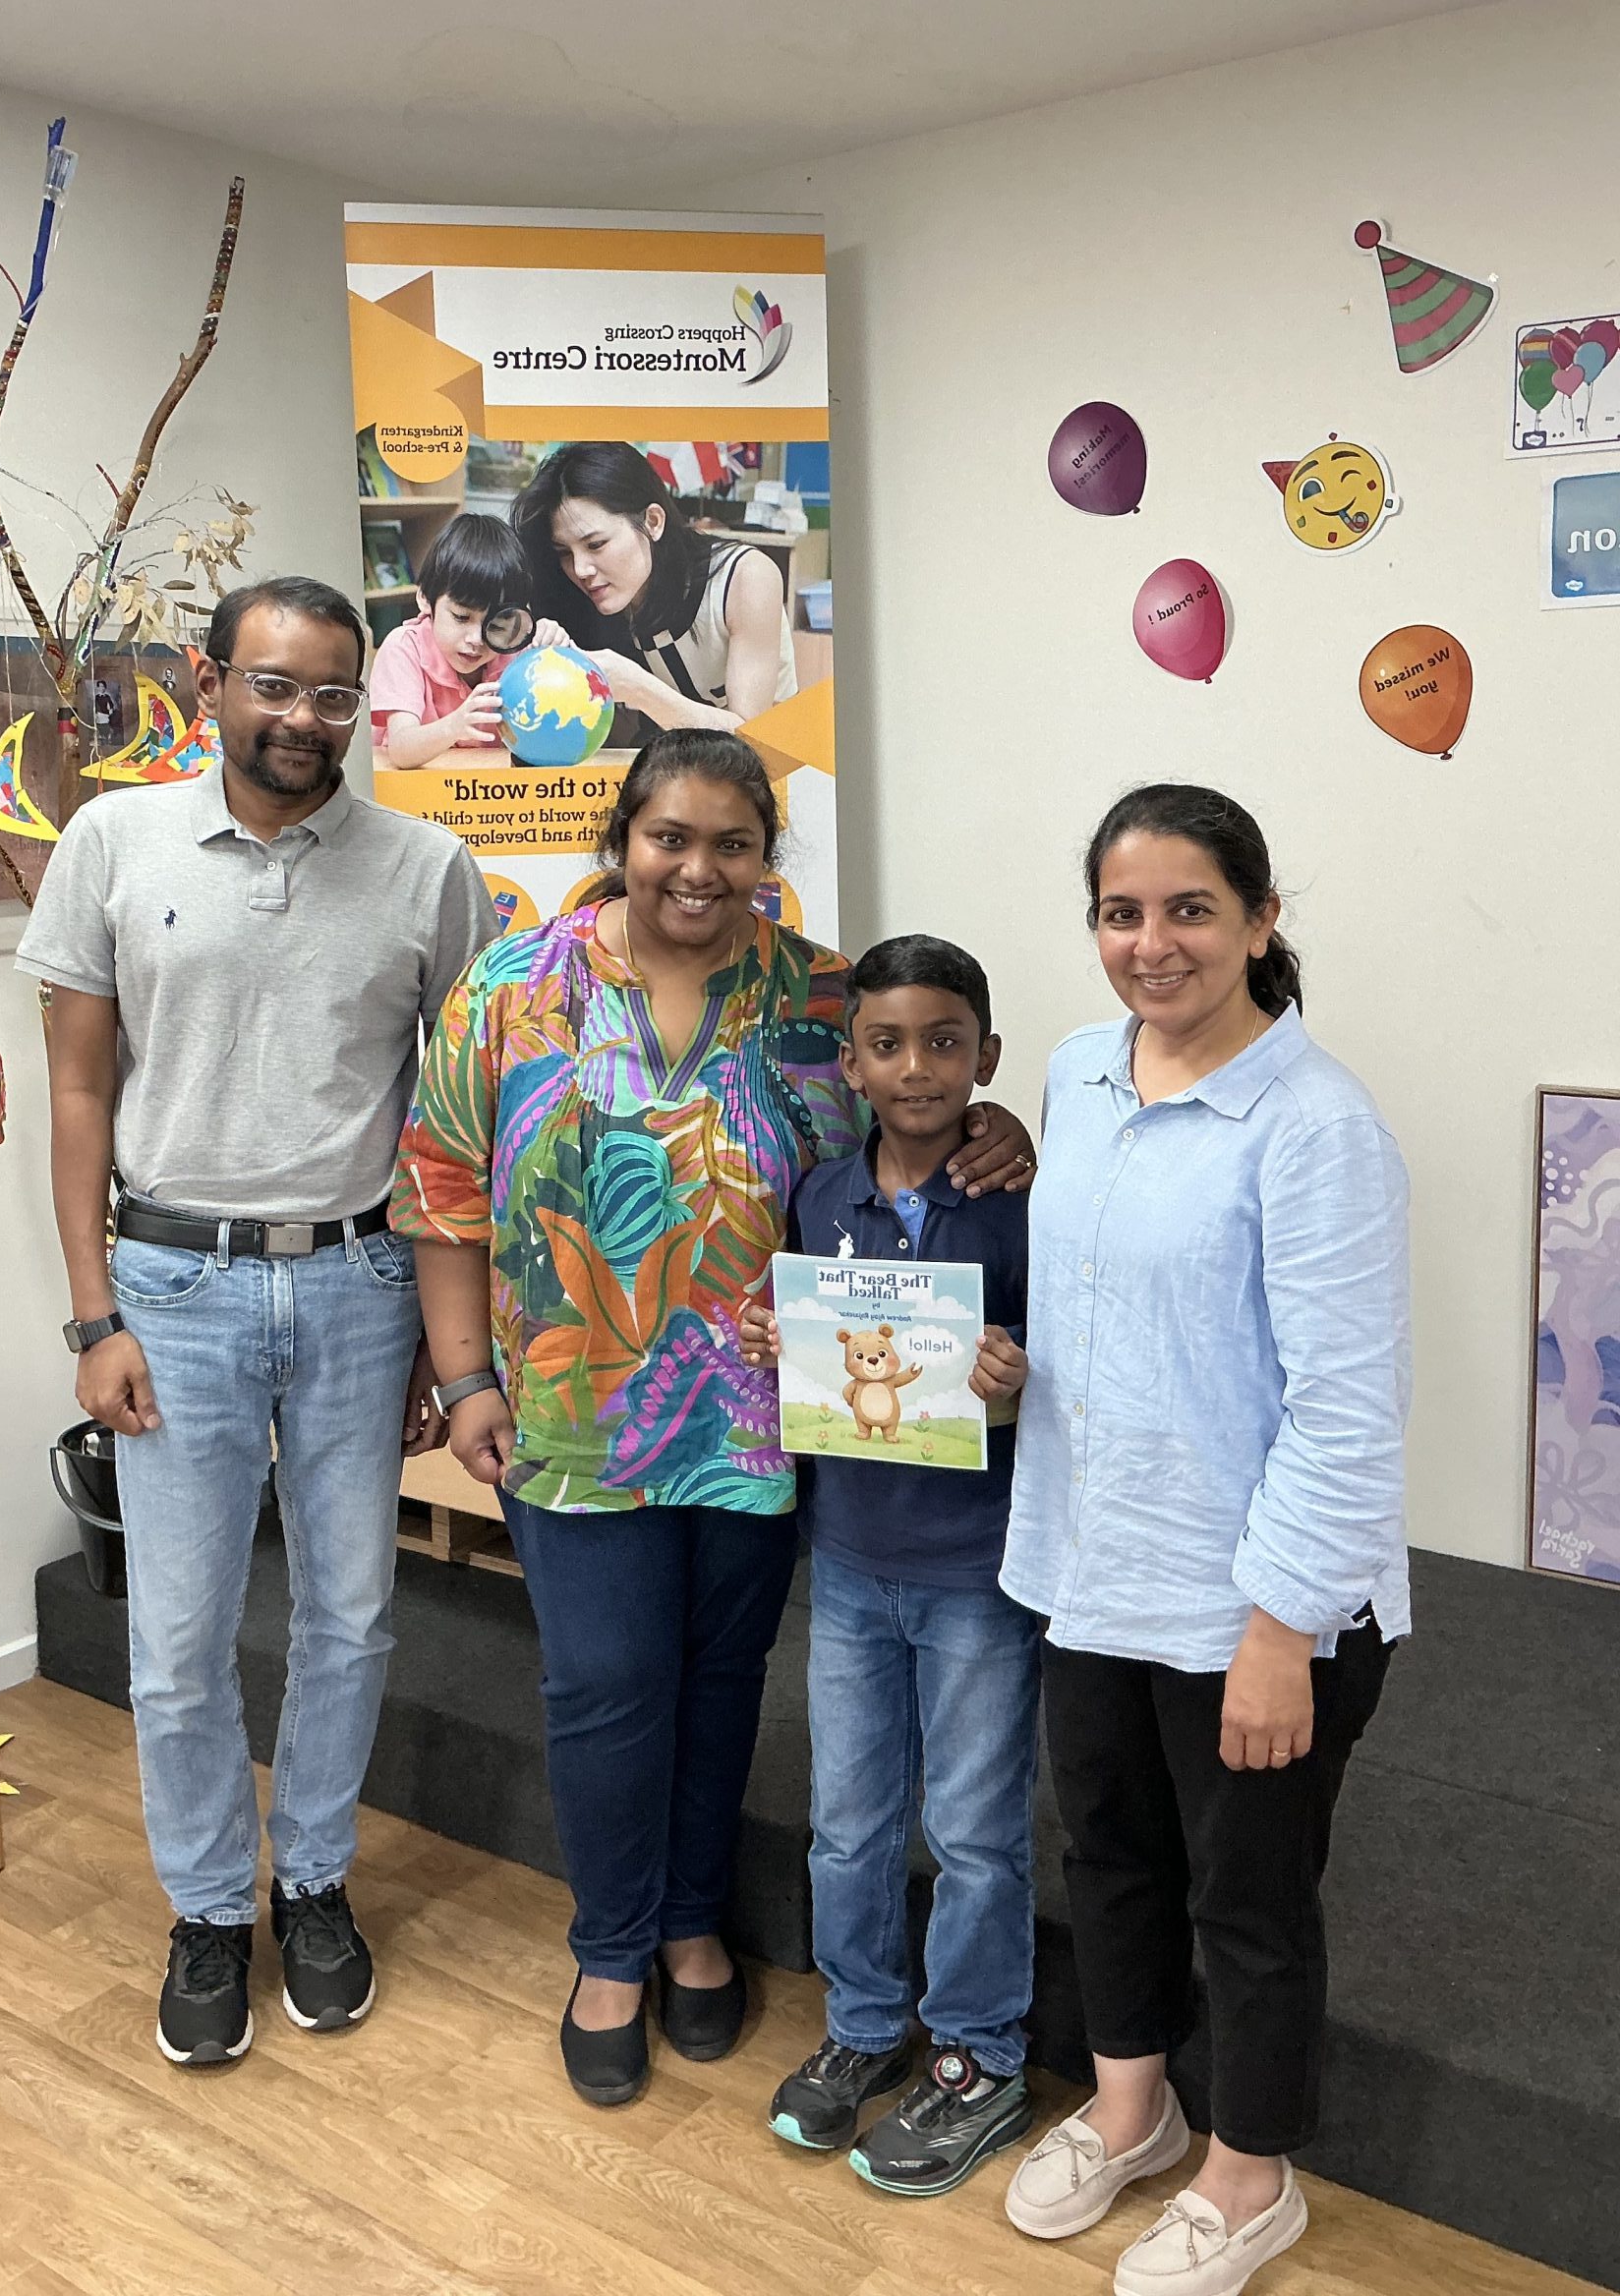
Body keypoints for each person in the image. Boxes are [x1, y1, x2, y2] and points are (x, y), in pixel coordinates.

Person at [391, 732, 1033, 2107]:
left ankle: (693, 1923)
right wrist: (464, 1379)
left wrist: (1002, 1134)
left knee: (723, 1676)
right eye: (669, 838)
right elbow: (443, 1194)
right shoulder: (511, 989)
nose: (698, 868)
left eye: (732, 844)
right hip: (569, 1417)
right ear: (623, 839)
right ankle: (610, 1948)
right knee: (603, 1683)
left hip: (768, 1425)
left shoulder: (823, 998)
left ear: (764, 858)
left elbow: (914, 1124)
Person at [18, 574, 496, 2069]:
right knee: (177, 1637)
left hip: (361, 1286)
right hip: (173, 1291)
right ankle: (212, 1907)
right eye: (273, 685)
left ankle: (316, 1884)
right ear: (209, 678)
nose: (303, 717)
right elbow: (79, 1091)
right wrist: (91, 1315)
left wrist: (445, 1343)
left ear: (362, 702)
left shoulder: (430, 869)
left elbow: (455, 1123)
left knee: (350, 1616)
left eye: (334, 693)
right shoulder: (112, 843)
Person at [999, 784, 1411, 2296]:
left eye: (1189, 910)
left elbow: (1348, 1413)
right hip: (1093, 1564)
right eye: (1122, 913)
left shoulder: (1317, 1128)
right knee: (1108, 1850)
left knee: (1247, 1900)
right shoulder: (1076, 1071)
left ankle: (1250, 2175)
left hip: (1255, 1604)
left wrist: (1280, 1631)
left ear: (1259, 919)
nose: (1151, 944)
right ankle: (1134, 2107)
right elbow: (1098, 1312)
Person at [739, 935, 1042, 2197]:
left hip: (979, 1570)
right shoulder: (817, 1199)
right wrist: (779, 1338)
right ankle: (864, 2022)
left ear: (986, 1055)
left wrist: (1019, 1375)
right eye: (887, 1043)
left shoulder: (1024, 1205)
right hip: (853, 1563)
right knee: (848, 1820)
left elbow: (1065, 1369)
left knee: (974, 1828)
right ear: (851, 1063)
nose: (916, 1066)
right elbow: (812, 1351)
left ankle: (978, 2051)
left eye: (944, 1041)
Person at [509, 440, 795, 736]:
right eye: (564, 552)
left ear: (653, 522)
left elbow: (750, 738)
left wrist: (639, 689)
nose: (580, 569)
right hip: (668, 757)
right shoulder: (595, 600)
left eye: (595, 544)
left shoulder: (745, 577)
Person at [369, 511, 571, 770]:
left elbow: (576, 705)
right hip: (413, 790)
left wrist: (558, 651)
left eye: (496, 624)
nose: (477, 639)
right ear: (425, 598)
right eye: (462, 617)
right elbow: (401, 749)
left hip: (485, 789)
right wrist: (455, 725)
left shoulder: (516, 648)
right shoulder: (403, 648)